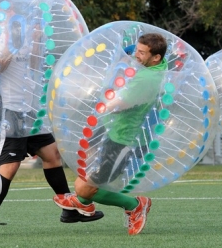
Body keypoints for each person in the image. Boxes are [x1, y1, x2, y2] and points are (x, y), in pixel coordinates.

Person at [0, 0, 104, 236]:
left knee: (52, 155)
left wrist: (33, 43)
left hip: (30, 109)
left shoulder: (25, 35)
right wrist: (11, 43)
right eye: (5, 10)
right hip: (7, 109)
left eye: (13, 8)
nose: (11, 12)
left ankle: (69, 210)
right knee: (9, 167)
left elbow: (33, 66)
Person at [53, 33, 168, 235]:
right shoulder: (156, 65)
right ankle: (83, 203)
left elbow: (119, 104)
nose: (136, 55)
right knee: (90, 172)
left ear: (156, 57)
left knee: (85, 186)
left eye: (141, 52)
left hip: (122, 140)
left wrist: (100, 104)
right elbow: (135, 54)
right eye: (136, 50)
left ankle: (134, 205)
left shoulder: (147, 78)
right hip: (112, 130)